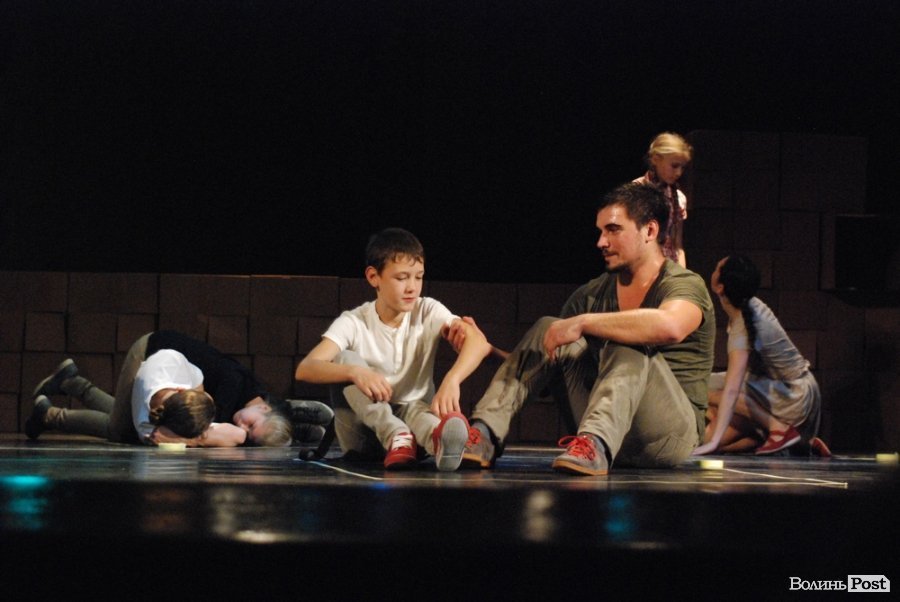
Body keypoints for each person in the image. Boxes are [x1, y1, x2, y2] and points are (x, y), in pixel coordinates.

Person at [461, 182, 715, 475]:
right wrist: (489, 352)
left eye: (613, 230)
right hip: (603, 427)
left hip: (666, 436)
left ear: (650, 231)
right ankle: (485, 435)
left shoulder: (684, 283)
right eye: (601, 231)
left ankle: (596, 443)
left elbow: (670, 326)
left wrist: (584, 322)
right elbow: (548, 368)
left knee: (626, 336)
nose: (601, 242)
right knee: (548, 326)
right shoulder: (591, 295)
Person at [295, 227, 492, 471]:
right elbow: (306, 368)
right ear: (373, 277)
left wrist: (452, 379)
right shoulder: (354, 322)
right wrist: (356, 373)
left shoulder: (427, 310)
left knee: (417, 408)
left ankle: (440, 441)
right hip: (364, 437)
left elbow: (478, 342)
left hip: (414, 427)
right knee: (345, 358)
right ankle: (396, 435)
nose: (412, 287)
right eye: (401, 278)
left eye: (418, 277)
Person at [25, 330, 330, 447]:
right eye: (251, 424)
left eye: (249, 433)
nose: (242, 427)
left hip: (170, 376)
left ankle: (71, 382)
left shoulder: (247, 402)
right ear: (263, 406)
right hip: (151, 353)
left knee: (128, 419)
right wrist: (203, 438)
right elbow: (199, 427)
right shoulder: (233, 387)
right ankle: (49, 415)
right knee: (120, 430)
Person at [692, 255, 830, 456]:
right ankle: (789, 440)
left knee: (704, 390)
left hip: (792, 396)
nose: (713, 269)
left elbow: (732, 390)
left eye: (717, 268)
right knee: (703, 389)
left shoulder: (743, 326)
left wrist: (712, 442)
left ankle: (777, 428)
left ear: (720, 287)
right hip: (783, 390)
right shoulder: (749, 306)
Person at [633, 132, 692, 267]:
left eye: (682, 167)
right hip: (642, 266)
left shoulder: (678, 198)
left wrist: (681, 275)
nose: (679, 173)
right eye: (674, 166)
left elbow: (678, 246)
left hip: (668, 268)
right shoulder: (635, 191)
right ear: (656, 159)